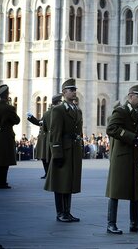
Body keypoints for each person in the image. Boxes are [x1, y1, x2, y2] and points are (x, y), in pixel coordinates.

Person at [105, 84, 138, 234]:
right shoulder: (120, 111)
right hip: (121, 157)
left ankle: (134, 222)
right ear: (130, 96)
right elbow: (111, 128)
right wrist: (131, 137)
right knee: (116, 191)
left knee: (136, 191)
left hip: (135, 157)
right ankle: (111, 223)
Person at [44, 79, 83, 222]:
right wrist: (57, 153)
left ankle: (67, 211)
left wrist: (81, 147)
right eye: (71, 90)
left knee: (69, 182)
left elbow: (79, 132)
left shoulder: (77, 110)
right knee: (60, 182)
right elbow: (55, 133)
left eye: (74, 90)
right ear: (64, 93)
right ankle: (60, 212)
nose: (74, 92)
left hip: (73, 150)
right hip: (64, 150)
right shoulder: (58, 110)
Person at [27, 94, 62, 179]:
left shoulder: (49, 113)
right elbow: (40, 123)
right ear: (58, 102)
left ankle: (48, 173)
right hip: (46, 138)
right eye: (60, 102)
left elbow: (40, 123)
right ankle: (48, 173)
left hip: (46, 137)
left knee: (46, 157)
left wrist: (31, 118)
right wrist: (31, 118)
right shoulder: (52, 113)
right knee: (46, 157)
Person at [0, 85, 20, 189]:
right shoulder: (9, 108)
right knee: (4, 160)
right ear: (6, 95)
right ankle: (2, 182)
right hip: (5, 137)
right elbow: (17, 120)